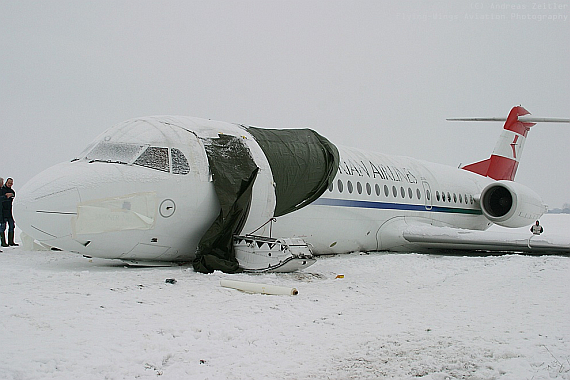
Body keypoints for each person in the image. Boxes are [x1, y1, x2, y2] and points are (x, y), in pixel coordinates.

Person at [1, 178, 17, 247]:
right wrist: (6, 196)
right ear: (6, 183)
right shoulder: (2, 190)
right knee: (3, 227)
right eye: (9, 183)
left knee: (12, 226)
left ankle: (11, 241)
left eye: (11, 183)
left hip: (10, 212)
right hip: (3, 212)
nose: (10, 184)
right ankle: (3, 242)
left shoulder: (12, 191)